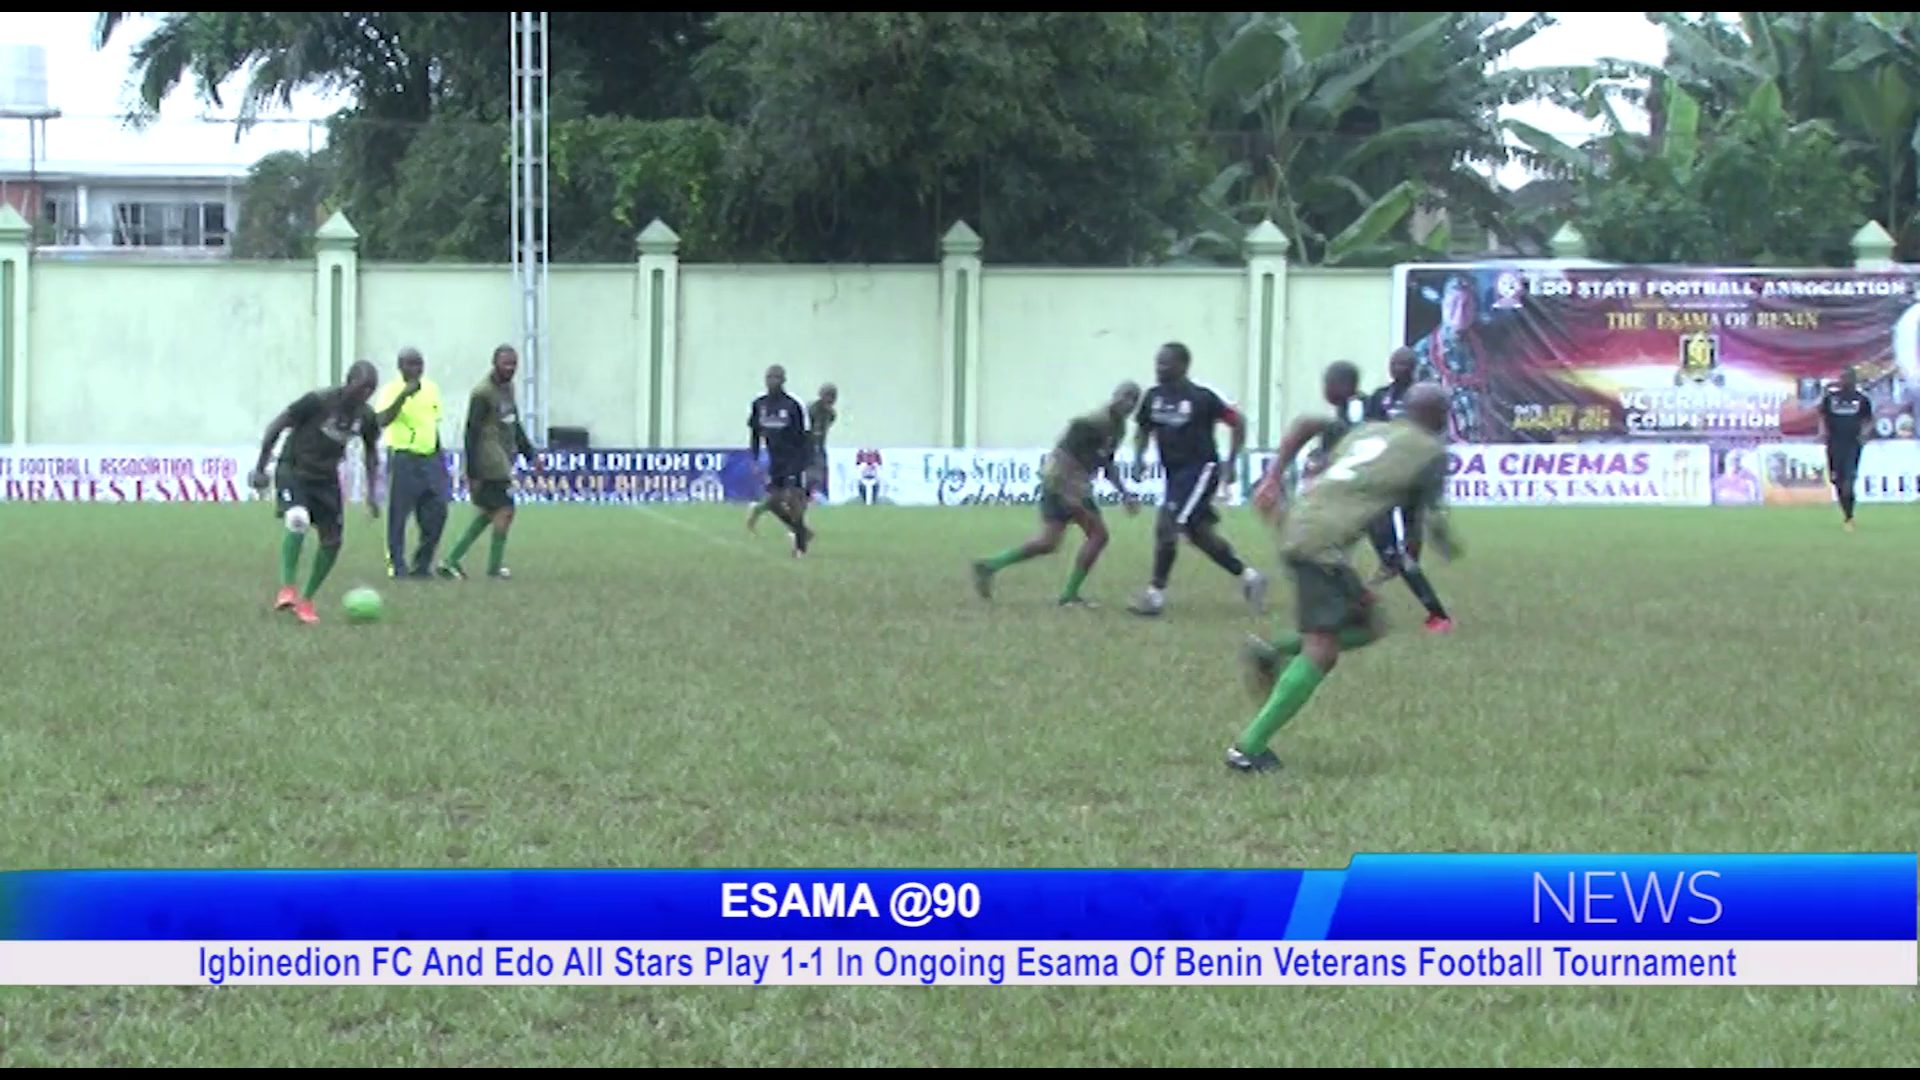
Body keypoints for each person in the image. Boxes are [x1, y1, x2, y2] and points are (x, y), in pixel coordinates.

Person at [1228, 383, 1461, 774]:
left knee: (1369, 623)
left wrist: (1273, 476)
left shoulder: (1368, 430)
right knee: (1323, 649)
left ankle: (1274, 651)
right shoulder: (1431, 454)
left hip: (1300, 526)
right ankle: (1248, 748)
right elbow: (1425, 518)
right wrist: (1444, 543)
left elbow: (1306, 422)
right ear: (1440, 416)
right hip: (1322, 546)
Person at [1126, 342, 1268, 618]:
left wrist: (1231, 460)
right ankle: (1251, 578)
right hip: (1174, 475)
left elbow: (1237, 421)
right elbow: (1143, 429)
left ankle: (1155, 595)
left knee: (1168, 525)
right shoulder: (1152, 397)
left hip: (1201, 470)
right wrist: (1139, 458)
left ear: (1183, 366)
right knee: (1199, 535)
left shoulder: (1201, 398)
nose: (1159, 368)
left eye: (1165, 363)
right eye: (1157, 362)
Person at [972, 382, 1143, 607]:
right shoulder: (1090, 423)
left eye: (1134, 399)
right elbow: (1063, 453)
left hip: (1061, 485)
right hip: (1065, 484)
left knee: (1048, 542)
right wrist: (1070, 491)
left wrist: (1125, 493)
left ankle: (990, 566)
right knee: (1098, 535)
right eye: (1126, 396)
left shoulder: (1117, 428)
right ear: (1115, 396)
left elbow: (1107, 463)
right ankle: (1069, 596)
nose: (1128, 403)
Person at [249, 360, 382, 624]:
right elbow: (276, 426)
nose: (364, 394)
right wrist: (261, 468)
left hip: (326, 479)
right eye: (361, 387)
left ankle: (306, 601)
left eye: (370, 390)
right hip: (294, 469)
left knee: (332, 542)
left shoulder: (365, 416)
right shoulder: (318, 401)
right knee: (298, 519)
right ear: (348, 381)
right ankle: (287, 589)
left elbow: (371, 452)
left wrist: (372, 492)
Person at [1361, 347, 1453, 631]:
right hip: (1384, 473)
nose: (1398, 367)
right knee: (1379, 531)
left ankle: (1436, 612)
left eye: (1404, 363)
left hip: (1412, 476)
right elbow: (1369, 429)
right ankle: (1392, 568)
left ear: (1414, 367)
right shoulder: (1379, 397)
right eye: (1394, 362)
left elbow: (1435, 434)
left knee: (1407, 536)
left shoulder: (1423, 397)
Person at [438, 345, 541, 580]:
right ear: (494, 363)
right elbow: (471, 433)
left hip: (502, 459)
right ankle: (492, 569)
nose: (511, 368)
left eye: (514, 363)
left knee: (488, 513)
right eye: (506, 363)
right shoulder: (482, 394)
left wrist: (530, 454)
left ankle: (450, 561)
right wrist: (472, 473)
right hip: (488, 463)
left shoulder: (508, 389)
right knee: (505, 510)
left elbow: (514, 424)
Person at [373, 347, 450, 579]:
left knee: (438, 512)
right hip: (404, 458)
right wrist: (404, 395)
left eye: (419, 364)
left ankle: (422, 565)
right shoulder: (391, 390)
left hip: (430, 457)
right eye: (410, 364)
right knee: (399, 515)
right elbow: (382, 420)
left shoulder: (432, 389)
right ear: (400, 367)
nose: (415, 369)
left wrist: (439, 458)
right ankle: (397, 565)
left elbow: (432, 423)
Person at [748, 381, 838, 532]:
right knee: (792, 493)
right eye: (828, 396)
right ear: (821, 395)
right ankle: (794, 525)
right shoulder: (810, 410)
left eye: (832, 397)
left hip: (817, 454)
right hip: (803, 454)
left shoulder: (831, 415)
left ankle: (769, 512)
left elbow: (820, 435)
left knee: (805, 491)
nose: (830, 400)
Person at [748, 364, 814, 556]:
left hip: (793, 459)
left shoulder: (792, 406)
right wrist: (754, 457)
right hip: (774, 461)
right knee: (773, 502)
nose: (772, 381)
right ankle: (802, 531)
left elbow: (803, 437)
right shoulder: (759, 405)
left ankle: (800, 547)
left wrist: (805, 463)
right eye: (769, 378)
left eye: (776, 378)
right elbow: (754, 433)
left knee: (793, 501)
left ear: (783, 380)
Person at [1818, 368, 1873, 531]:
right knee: (1836, 480)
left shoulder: (1861, 400)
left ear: (1854, 381)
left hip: (1852, 444)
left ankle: (1849, 516)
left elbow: (1869, 419)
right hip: (1834, 443)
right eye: (1844, 378)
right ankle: (1846, 511)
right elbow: (1822, 415)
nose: (1846, 381)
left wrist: (1864, 433)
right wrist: (1822, 432)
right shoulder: (1831, 398)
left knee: (1849, 479)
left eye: (1849, 378)